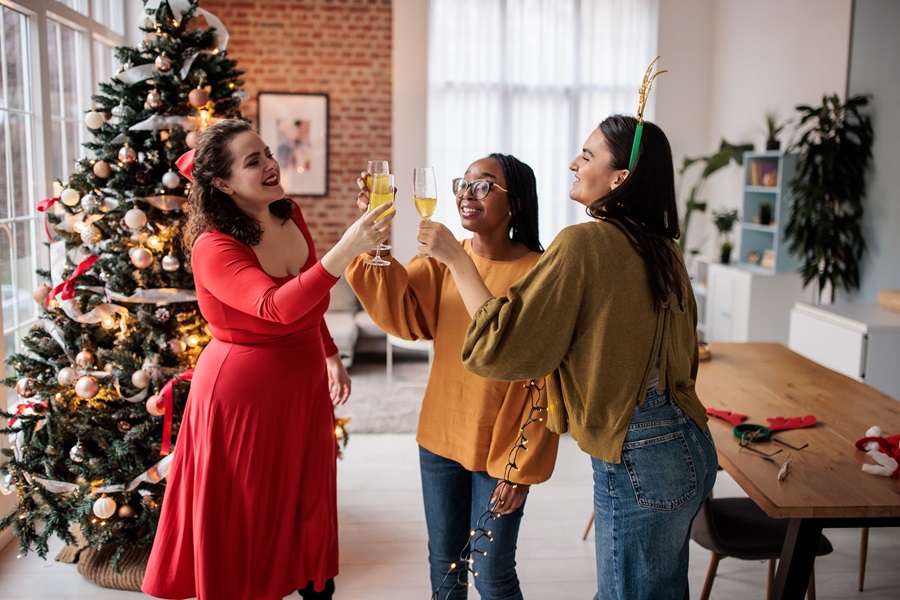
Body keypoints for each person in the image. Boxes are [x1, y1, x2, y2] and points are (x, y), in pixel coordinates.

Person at [418, 116, 718, 600]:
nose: (573, 163)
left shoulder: (584, 243)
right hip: (691, 443)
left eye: (587, 155)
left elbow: (504, 345)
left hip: (638, 451)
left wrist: (456, 259)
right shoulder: (664, 248)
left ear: (619, 179)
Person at [141, 118, 393, 600]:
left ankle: (313, 584)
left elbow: (306, 295)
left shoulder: (288, 213)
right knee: (250, 512)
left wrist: (329, 353)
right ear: (222, 183)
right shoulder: (213, 246)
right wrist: (347, 248)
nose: (270, 166)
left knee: (306, 501)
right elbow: (275, 307)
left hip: (302, 386)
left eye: (268, 154)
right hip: (243, 398)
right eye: (252, 161)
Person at [345, 154, 559, 600]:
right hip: (440, 435)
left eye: (483, 186)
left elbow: (544, 381)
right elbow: (404, 313)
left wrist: (519, 469)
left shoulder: (540, 273)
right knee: (444, 565)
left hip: (502, 447)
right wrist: (375, 239)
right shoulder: (446, 258)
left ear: (515, 204)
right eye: (464, 183)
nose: (466, 192)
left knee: (492, 572)